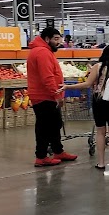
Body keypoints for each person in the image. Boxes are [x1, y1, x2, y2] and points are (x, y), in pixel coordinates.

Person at [61, 46, 109, 170]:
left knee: (100, 132)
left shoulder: (98, 67)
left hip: (99, 101)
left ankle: (101, 163)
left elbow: (87, 84)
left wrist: (68, 87)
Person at [27, 28, 78, 167]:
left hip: (46, 95)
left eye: (59, 38)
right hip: (44, 96)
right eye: (55, 39)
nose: (59, 42)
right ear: (47, 39)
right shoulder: (42, 52)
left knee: (54, 124)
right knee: (44, 127)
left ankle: (58, 151)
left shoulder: (42, 51)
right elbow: (47, 77)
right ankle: (41, 156)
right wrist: (56, 95)